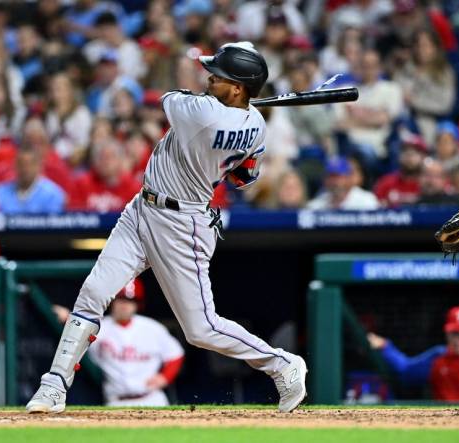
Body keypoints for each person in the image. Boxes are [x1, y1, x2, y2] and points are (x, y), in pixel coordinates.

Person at [26, 41, 307, 414]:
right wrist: (240, 118)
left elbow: (167, 97)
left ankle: (282, 364)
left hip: (181, 224)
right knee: (93, 292)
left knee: (201, 329)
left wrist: (227, 117)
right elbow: (244, 177)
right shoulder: (255, 125)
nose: (210, 78)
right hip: (142, 209)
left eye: (219, 76)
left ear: (238, 88)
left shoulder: (201, 111)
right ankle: (54, 384)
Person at [54, 279, 184, 406]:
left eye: (130, 301)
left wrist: (165, 377)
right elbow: (76, 325)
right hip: (116, 401)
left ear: (137, 304)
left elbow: (175, 354)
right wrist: (65, 316)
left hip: (152, 399)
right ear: (112, 301)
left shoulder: (152, 328)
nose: (124, 305)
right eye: (121, 299)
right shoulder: (100, 327)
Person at [367, 306, 459, 401]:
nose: (457, 340)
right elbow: (406, 370)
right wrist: (386, 346)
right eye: (454, 334)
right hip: (446, 428)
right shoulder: (438, 358)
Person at [0, 147, 66, 214]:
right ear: (15, 166)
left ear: (39, 166)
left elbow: (53, 224)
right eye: (21, 164)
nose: (25, 169)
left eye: (30, 164)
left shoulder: (53, 194)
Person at [306, 157, 379, 210]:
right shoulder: (317, 204)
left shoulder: (366, 200)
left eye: (338, 176)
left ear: (349, 178)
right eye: (330, 176)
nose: (333, 181)